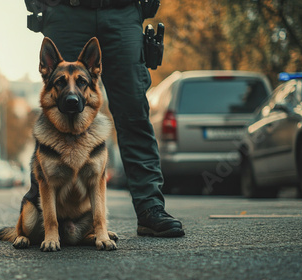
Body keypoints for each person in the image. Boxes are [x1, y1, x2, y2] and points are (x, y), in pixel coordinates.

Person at [23, 0, 185, 237]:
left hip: (122, 11)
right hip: (65, 10)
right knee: (57, 112)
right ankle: (43, 221)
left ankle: (150, 208)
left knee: (134, 115)